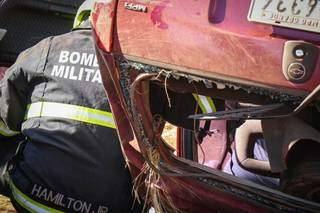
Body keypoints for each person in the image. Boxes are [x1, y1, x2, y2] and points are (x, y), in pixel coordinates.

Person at [0, 0, 141, 212]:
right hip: (108, 207)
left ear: (81, 18)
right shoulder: (140, 68)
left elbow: (5, 116)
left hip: (29, 198)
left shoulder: (45, 49)